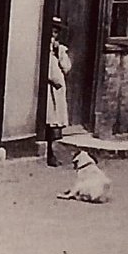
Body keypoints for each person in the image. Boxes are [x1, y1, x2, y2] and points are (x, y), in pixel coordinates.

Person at [46, 16, 73, 166]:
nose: (53, 36)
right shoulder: (43, 50)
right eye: (51, 32)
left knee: (56, 120)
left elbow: (67, 67)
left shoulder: (60, 50)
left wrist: (59, 52)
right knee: (48, 120)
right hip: (48, 89)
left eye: (55, 33)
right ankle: (49, 154)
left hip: (57, 91)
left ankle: (54, 153)